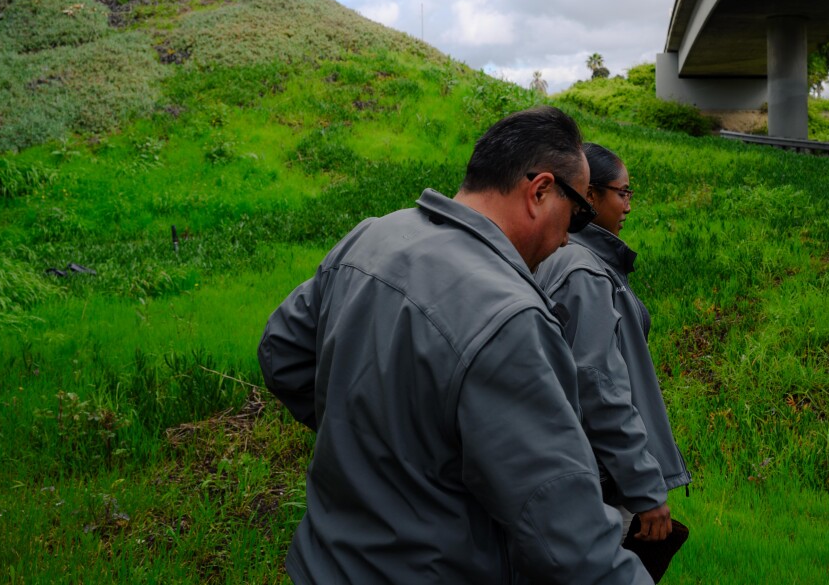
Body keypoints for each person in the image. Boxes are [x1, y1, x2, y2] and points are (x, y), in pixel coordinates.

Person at [257, 107, 651, 584]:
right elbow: (569, 536)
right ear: (541, 190)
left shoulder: (371, 237)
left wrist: (378, 442)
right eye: (577, 213)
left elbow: (281, 353)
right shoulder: (512, 318)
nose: (570, 238)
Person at [535, 143, 692, 546]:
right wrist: (644, 487)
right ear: (589, 195)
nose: (628, 205)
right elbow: (599, 386)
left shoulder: (563, 257)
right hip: (601, 479)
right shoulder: (585, 271)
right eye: (623, 193)